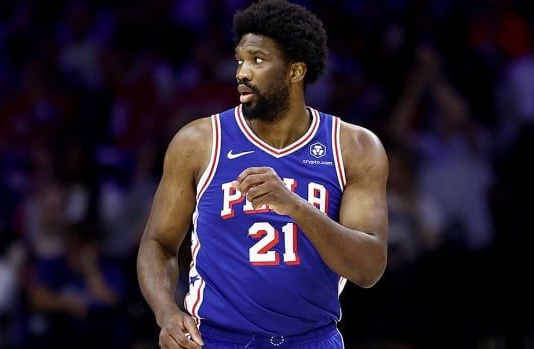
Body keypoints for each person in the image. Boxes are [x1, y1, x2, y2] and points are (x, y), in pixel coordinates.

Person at [136, 1, 389, 348]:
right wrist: (166, 312)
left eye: (257, 60)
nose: (241, 72)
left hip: (311, 339)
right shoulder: (198, 142)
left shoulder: (355, 148)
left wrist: (296, 207)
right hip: (216, 338)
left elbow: (369, 268)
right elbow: (158, 244)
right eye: (240, 59)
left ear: (295, 72)